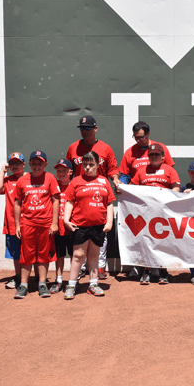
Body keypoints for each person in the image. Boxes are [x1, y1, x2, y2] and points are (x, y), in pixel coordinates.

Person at [66, 115, 119, 280]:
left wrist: (116, 180)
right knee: (79, 233)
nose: (85, 131)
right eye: (82, 128)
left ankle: (100, 267)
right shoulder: (73, 148)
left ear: (95, 129)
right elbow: (68, 171)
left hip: (98, 197)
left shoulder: (105, 148)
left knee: (99, 232)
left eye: (88, 128)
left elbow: (112, 169)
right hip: (80, 197)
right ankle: (81, 268)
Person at [63, 151, 115, 299]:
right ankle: (71, 285)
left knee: (94, 255)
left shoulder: (104, 181)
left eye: (91, 165)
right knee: (78, 255)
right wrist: (66, 220)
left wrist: (109, 221)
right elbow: (69, 202)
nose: (87, 168)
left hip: (98, 225)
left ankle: (93, 284)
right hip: (80, 225)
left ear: (98, 165)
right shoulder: (76, 181)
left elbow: (109, 203)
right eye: (85, 164)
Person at [131, 143, 180, 285]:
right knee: (146, 241)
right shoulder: (141, 171)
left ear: (163, 157)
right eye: (151, 155)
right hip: (146, 212)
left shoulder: (169, 170)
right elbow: (133, 189)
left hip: (163, 213)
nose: (153, 157)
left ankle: (163, 271)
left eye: (156, 155)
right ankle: (146, 270)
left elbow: (176, 187)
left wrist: (165, 198)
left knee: (163, 242)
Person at [13, 150, 60, 299]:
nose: (37, 166)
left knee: (43, 255)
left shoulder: (50, 178)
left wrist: (54, 223)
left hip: (45, 225)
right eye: (34, 163)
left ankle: (42, 284)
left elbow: (56, 200)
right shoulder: (22, 180)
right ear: (30, 164)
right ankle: (24, 285)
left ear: (45, 164)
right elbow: (17, 203)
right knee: (26, 256)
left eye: (40, 163)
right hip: (28, 224)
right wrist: (17, 225)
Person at [0, 152, 27, 289]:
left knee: (32, 252)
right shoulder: (7, 180)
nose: (15, 166)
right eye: (12, 163)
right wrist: (2, 171)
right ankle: (18, 277)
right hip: (12, 223)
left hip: (29, 222)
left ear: (23, 164)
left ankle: (36, 278)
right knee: (16, 254)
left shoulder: (30, 178)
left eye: (18, 163)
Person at [50, 159, 74, 293]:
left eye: (64, 170)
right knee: (59, 256)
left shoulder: (74, 186)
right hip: (58, 229)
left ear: (70, 172)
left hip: (72, 230)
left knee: (73, 256)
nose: (61, 173)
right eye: (59, 171)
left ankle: (72, 281)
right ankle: (58, 280)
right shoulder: (54, 186)